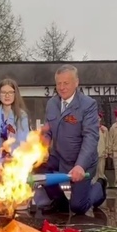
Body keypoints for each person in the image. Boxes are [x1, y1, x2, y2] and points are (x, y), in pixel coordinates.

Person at [34, 65, 106, 215]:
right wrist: (41, 149)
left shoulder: (88, 104)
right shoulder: (52, 104)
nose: (61, 87)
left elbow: (91, 137)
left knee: (78, 207)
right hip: (59, 157)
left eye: (66, 83)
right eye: (59, 83)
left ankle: (99, 188)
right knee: (37, 167)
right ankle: (59, 201)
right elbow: (48, 131)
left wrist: (80, 165)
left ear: (76, 82)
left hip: (81, 161)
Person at [0, 78, 30, 172]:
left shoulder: (22, 115)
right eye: (3, 92)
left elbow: (22, 141)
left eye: (10, 92)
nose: (7, 95)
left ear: (15, 94)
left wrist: (10, 157)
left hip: (15, 157)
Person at [93, 112, 108, 183]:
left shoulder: (104, 129)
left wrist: (107, 151)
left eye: (98, 118)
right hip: (93, 153)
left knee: (101, 170)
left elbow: (107, 140)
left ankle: (102, 183)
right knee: (94, 170)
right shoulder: (90, 128)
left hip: (102, 152)